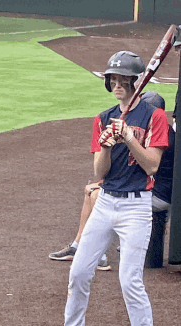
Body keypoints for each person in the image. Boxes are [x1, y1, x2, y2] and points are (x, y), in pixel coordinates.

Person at [63, 50, 169, 326]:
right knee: (78, 273)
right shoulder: (103, 118)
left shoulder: (154, 117)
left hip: (136, 206)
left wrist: (130, 138)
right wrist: (108, 145)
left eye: (123, 79)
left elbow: (152, 166)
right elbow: (100, 172)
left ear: (135, 81)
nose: (117, 84)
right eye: (113, 79)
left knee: (129, 281)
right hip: (106, 202)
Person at [49, 91, 172, 270]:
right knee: (93, 190)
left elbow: (149, 168)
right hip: (157, 190)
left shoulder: (156, 136)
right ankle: (79, 246)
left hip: (155, 194)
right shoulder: (167, 132)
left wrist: (128, 138)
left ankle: (97, 253)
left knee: (96, 195)